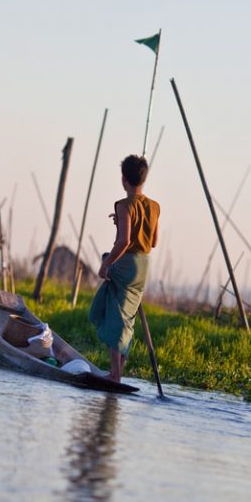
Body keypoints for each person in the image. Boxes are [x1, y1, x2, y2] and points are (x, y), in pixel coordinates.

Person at [89, 155, 160, 382]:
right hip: (143, 267)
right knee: (127, 319)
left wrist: (106, 265)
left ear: (123, 179)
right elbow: (153, 241)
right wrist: (121, 223)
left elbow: (124, 242)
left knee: (115, 315)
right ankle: (117, 371)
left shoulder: (124, 205)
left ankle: (115, 374)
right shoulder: (155, 207)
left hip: (126, 264)